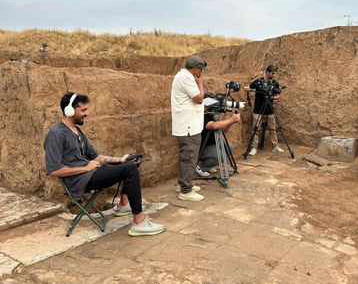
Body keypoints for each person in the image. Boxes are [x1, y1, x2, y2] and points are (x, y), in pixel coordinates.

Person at [44, 92, 166, 237]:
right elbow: (54, 170)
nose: (87, 113)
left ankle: (124, 205)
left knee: (131, 163)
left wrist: (121, 159)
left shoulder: (77, 132)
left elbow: (96, 157)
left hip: (90, 172)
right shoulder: (56, 134)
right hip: (80, 181)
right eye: (83, 110)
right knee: (130, 170)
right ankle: (139, 222)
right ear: (69, 110)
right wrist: (86, 168)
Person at [171, 55, 207, 201]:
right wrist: (201, 84)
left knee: (188, 156)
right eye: (201, 70)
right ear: (196, 69)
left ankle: (185, 184)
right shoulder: (186, 77)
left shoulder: (183, 76)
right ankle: (186, 191)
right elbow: (198, 98)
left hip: (189, 125)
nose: (201, 73)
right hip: (188, 127)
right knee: (189, 157)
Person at [244, 64, 284, 156]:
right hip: (258, 109)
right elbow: (248, 88)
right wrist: (248, 89)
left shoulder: (274, 83)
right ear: (267, 72)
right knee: (256, 128)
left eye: (274, 73)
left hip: (269, 108)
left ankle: (275, 146)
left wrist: (272, 97)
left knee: (273, 128)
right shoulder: (258, 82)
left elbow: (278, 96)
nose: (274, 75)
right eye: (272, 73)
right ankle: (254, 147)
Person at [196, 110, 241, 177]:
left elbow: (222, 131)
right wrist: (231, 120)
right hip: (201, 149)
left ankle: (209, 166)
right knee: (219, 155)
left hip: (211, 146)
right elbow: (214, 126)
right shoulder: (203, 115)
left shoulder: (215, 116)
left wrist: (231, 122)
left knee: (229, 147)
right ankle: (201, 166)